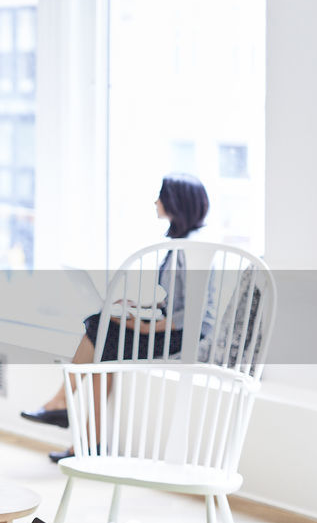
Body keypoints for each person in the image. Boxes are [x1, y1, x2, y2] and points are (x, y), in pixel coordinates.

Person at [20, 173, 210, 460]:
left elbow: (195, 316)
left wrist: (144, 326)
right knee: (105, 342)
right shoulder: (180, 246)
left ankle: (65, 409)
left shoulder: (193, 250)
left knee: (99, 326)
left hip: (185, 338)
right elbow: (174, 303)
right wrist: (138, 310)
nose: (156, 201)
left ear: (177, 202)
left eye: (161, 195)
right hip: (170, 327)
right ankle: (86, 441)